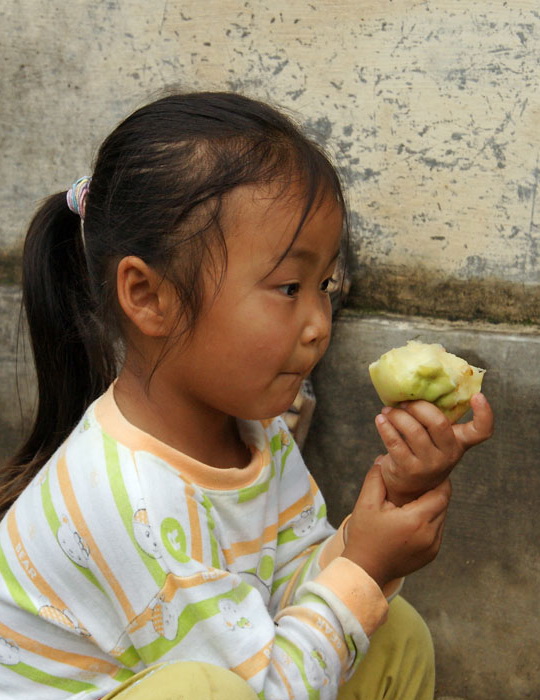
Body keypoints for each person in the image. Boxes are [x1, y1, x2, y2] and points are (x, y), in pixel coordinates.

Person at [0, 92, 493, 700]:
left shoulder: (254, 430)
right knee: (200, 691)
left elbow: (295, 593)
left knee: (394, 633)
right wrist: (364, 569)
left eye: (325, 284)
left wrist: (392, 502)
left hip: (250, 676)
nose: (318, 322)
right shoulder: (130, 502)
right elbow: (263, 689)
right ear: (149, 296)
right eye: (289, 286)